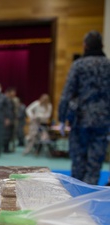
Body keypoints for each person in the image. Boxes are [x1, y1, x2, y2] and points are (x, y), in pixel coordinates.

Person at [58, 31, 110, 185]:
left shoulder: (79, 65)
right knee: (95, 164)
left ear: (85, 45)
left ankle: (77, 195)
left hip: (81, 119)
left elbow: (67, 94)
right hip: (103, 120)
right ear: (102, 46)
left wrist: (62, 119)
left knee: (78, 162)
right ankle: (89, 193)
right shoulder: (108, 66)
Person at [4, 88, 16, 153]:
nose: (14, 94)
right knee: (6, 135)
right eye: (12, 93)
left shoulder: (11, 100)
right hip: (7, 120)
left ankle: (7, 148)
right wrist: (6, 118)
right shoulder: (5, 100)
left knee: (10, 135)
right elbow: (5, 111)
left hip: (11, 120)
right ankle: (5, 149)